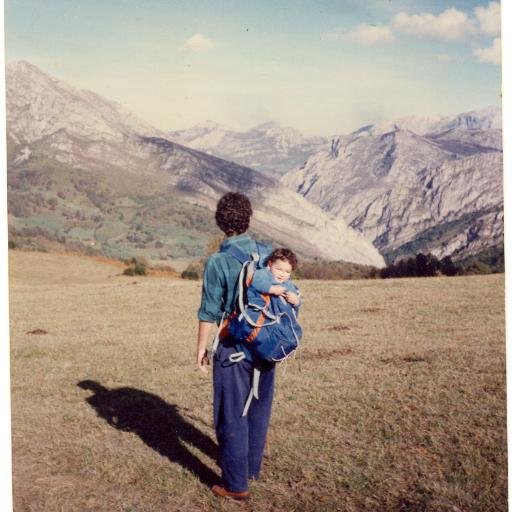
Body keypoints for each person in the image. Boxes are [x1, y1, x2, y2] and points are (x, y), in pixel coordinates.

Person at [196, 192, 275, 500]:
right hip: (266, 342)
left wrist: (201, 350)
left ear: (220, 222)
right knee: (258, 406)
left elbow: (209, 312)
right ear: (248, 218)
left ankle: (235, 485)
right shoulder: (265, 253)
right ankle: (251, 467)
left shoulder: (218, 261)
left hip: (234, 347)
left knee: (231, 413)